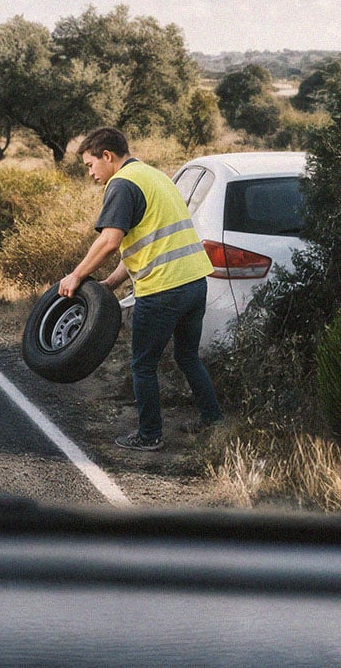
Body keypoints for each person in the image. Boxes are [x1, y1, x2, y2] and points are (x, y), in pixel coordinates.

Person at [58, 127, 224, 451]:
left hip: (163, 290)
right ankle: (213, 421)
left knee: (142, 365)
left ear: (107, 156)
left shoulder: (121, 184)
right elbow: (145, 241)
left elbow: (109, 241)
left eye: (91, 165)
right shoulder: (154, 176)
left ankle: (149, 435)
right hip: (194, 283)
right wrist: (111, 283)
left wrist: (76, 276)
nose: (91, 173)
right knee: (188, 356)